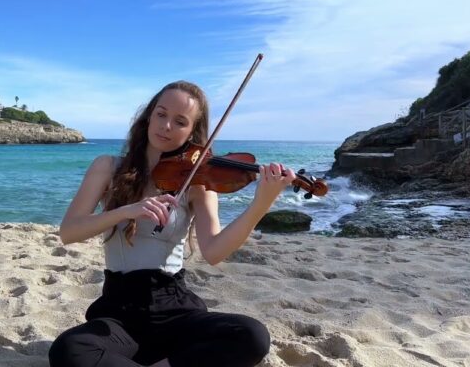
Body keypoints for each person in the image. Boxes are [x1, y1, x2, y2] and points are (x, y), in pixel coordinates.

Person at [48, 80, 296, 367]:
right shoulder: (107, 167)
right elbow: (69, 232)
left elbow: (214, 251)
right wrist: (126, 211)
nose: (166, 126)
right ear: (149, 115)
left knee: (252, 336)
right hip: (119, 312)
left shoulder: (198, 183)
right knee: (69, 350)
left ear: (192, 131)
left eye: (180, 121)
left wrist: (260, 205)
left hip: (175, 308)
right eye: (161, 114)